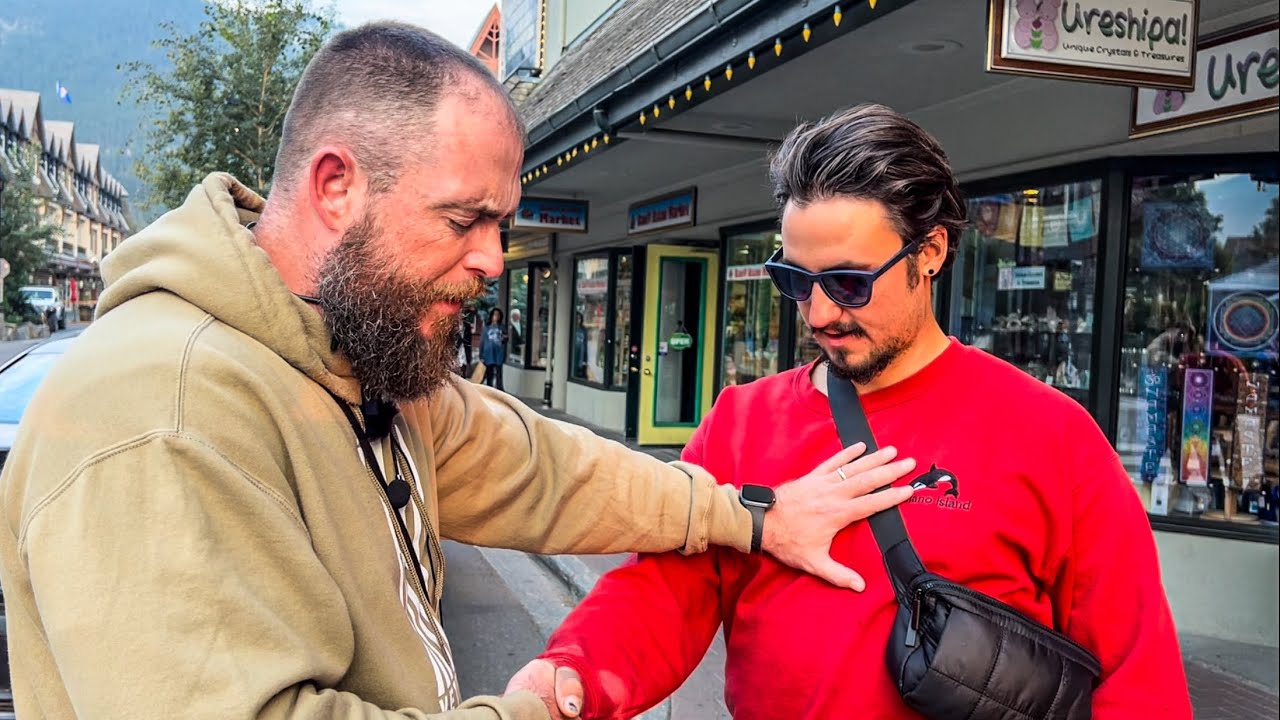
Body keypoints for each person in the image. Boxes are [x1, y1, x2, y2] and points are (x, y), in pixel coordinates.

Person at [0, 29, 917, 720]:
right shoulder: (162, 413)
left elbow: (544, 468)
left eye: (504, 225)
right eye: (462, 220)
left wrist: (750, 518)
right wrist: (529, 710)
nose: (494, 261)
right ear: (335, 186)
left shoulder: (355, 357)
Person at [509, 104, 1193, 720]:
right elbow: (664, 590)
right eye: (795, 281)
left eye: (847, 282)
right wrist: (574, 673)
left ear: (929, 253)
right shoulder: (742, 420)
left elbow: (1137, 675)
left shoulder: (1052, 435)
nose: (821, 313)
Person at [480, 307, 507, 389]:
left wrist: (505, 338)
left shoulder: (502, 327)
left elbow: (505, 340)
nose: (496, 317)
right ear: (491, 316)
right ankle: (489, 390)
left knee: (499, 374)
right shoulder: (487, 328)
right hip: (488, 353)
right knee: (489, 374)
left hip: (499, 353)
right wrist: (481, 355)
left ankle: (499, 389)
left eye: (498, 315)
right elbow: (482, 341)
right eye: (495, 314)